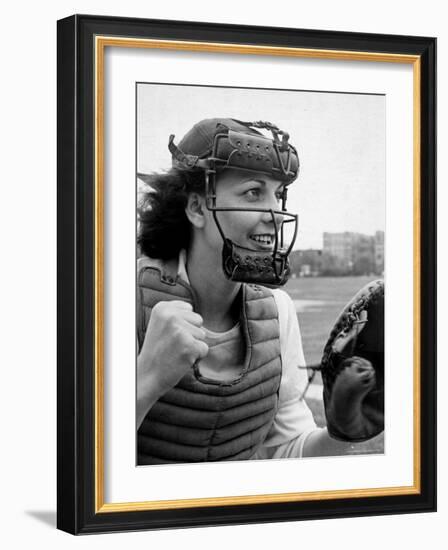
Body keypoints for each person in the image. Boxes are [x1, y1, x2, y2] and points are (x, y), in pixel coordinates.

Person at [136, 118, 378, 465]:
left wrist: (343, 430)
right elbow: (72, 467)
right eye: (253, 192)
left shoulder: (277, 312)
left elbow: (285, 452)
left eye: (277, 195)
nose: (276, 214)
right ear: (197, 208)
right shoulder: (118, 303)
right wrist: (147, 379)